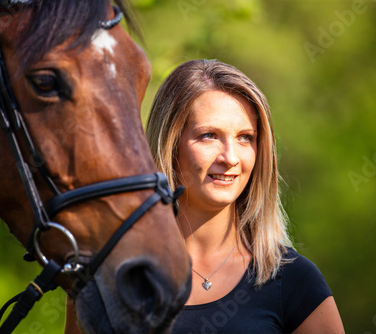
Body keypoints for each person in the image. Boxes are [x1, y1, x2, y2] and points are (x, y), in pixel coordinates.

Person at [146, 59, 344, 334]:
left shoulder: (293, 280)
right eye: (208, 136)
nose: (230, 158)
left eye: (245, 138)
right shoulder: (115, 278)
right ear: (169, 144)